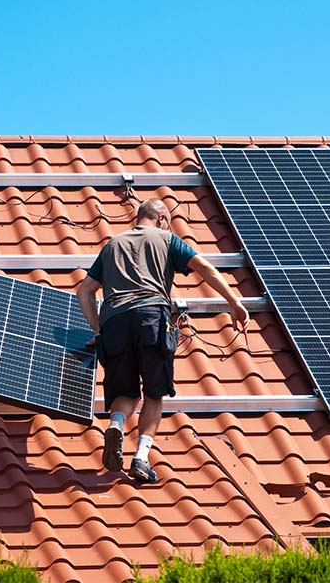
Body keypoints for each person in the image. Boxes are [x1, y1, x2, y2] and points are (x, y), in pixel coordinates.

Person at [77, 199, 249, 483]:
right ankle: (141, 459)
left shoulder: (111, 246)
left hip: (114, 322)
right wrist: (233, 301)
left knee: (125, 391)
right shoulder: (167, 239)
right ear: (161, 218)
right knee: (154, 393)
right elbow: (204, 267)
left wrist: (99, 330)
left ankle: (117, 425)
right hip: (151, 317)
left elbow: (85, 292)